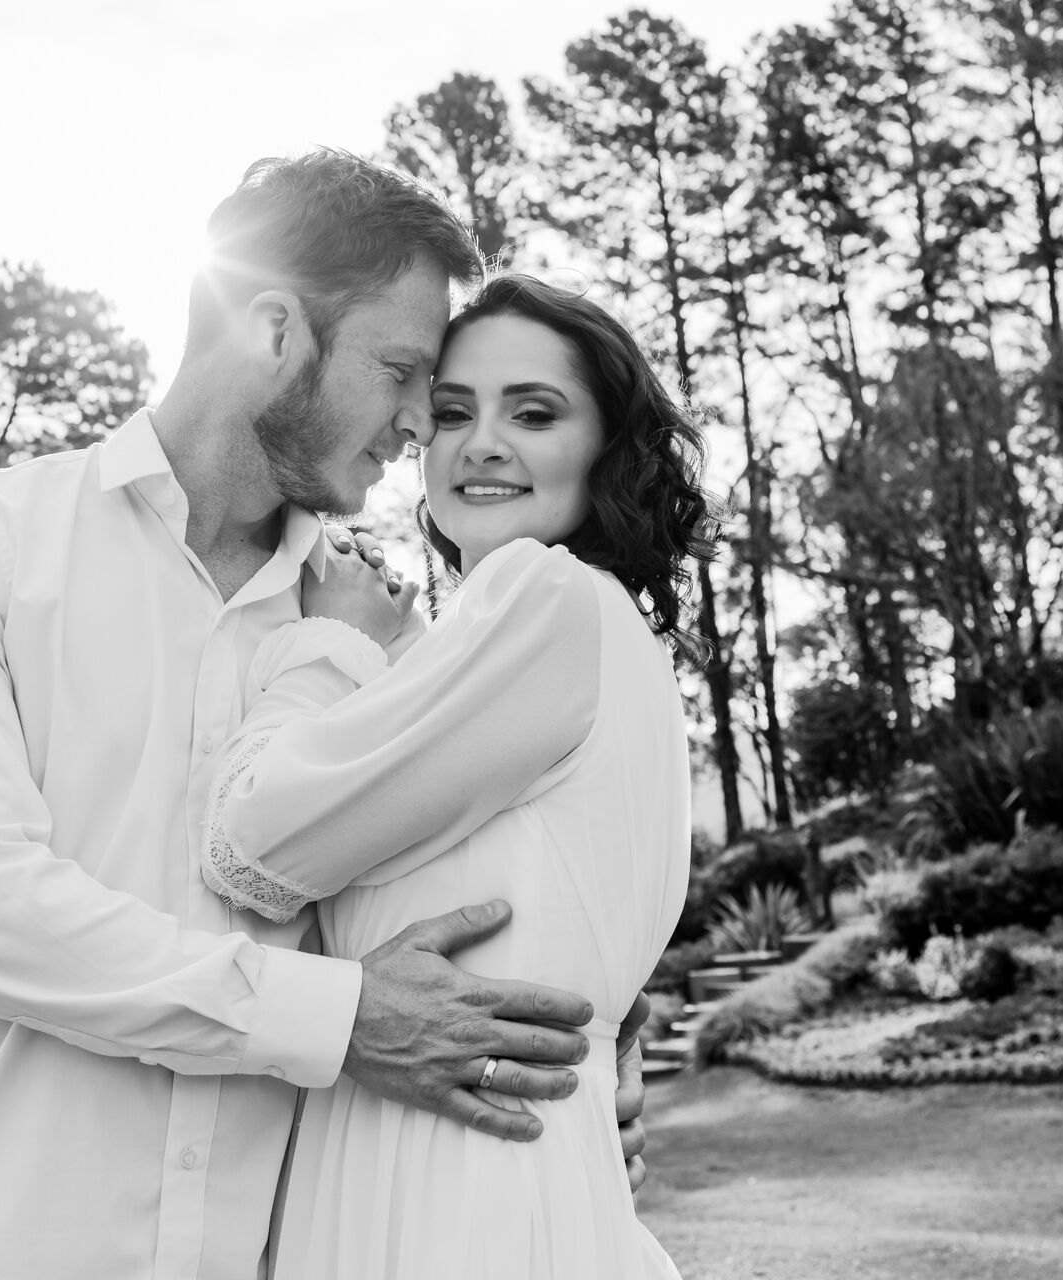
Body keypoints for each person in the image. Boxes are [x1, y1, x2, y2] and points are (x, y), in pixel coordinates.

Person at [0, 151, 646, 1280]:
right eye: (403, 371)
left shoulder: (381, 636)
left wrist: (587, 1071)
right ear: (273, 329)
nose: (422, 423)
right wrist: (339, 1016)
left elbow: (507, 876)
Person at [203, 274, 711, 1278]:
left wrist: (329, 645)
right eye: (451, 412)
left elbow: (250, 845)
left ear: (607, 446)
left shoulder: (545, 593)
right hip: (487, 1158)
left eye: (535, 412)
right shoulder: (570, 634)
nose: (481, 443)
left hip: (455, 1184)